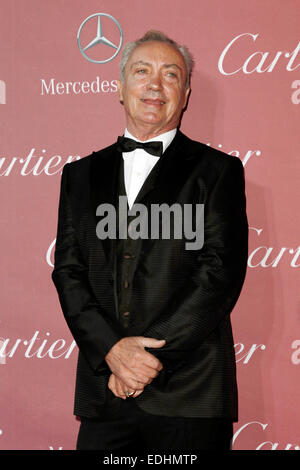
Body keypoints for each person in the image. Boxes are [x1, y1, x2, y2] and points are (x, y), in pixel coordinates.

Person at [52, 30, 248, 451]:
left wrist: (145, 362)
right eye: (142, 71)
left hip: (190, 396)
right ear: (121, 88)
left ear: (186, 93)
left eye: (170, 74)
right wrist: (112, 353)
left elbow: (219, 274)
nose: (155, 85)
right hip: (105, 395)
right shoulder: (79, 176)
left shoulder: (219, 172)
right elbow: (68, 272)